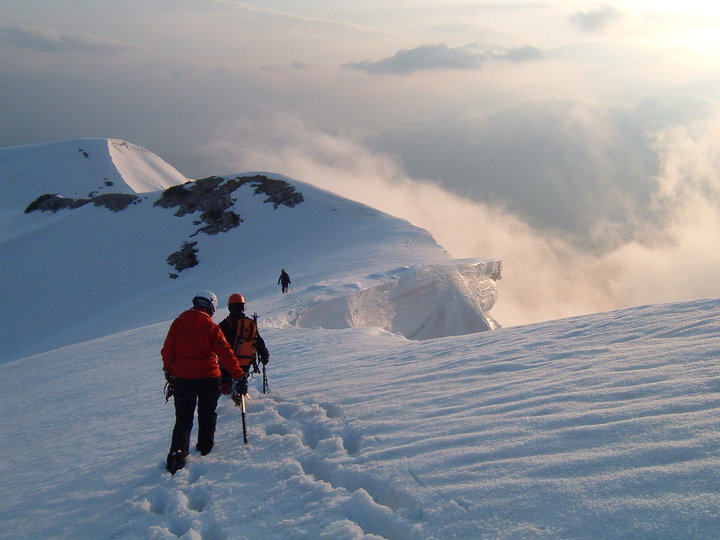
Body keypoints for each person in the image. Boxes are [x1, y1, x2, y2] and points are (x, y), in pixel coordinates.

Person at [161, 290, 246, 475]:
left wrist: (170, 371)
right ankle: (205, 447)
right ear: (211, 306)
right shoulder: (211, 327)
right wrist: (238, 375)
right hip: (209, 378)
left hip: (183, 379)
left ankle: (177, 455)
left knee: (183, 419)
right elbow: (225, 354)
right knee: (207, 414)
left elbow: (167, 350)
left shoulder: (178, 323)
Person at [219, 293, 270, 398]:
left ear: (229, 307)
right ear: (243, 307)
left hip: (228, 363)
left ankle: (229, 405)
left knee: (226, 386)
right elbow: (258, 341)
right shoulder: (250, 324)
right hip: (246, 362)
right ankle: (239, 399)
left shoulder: (225, 324)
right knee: (240, 384)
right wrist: (264, 355)